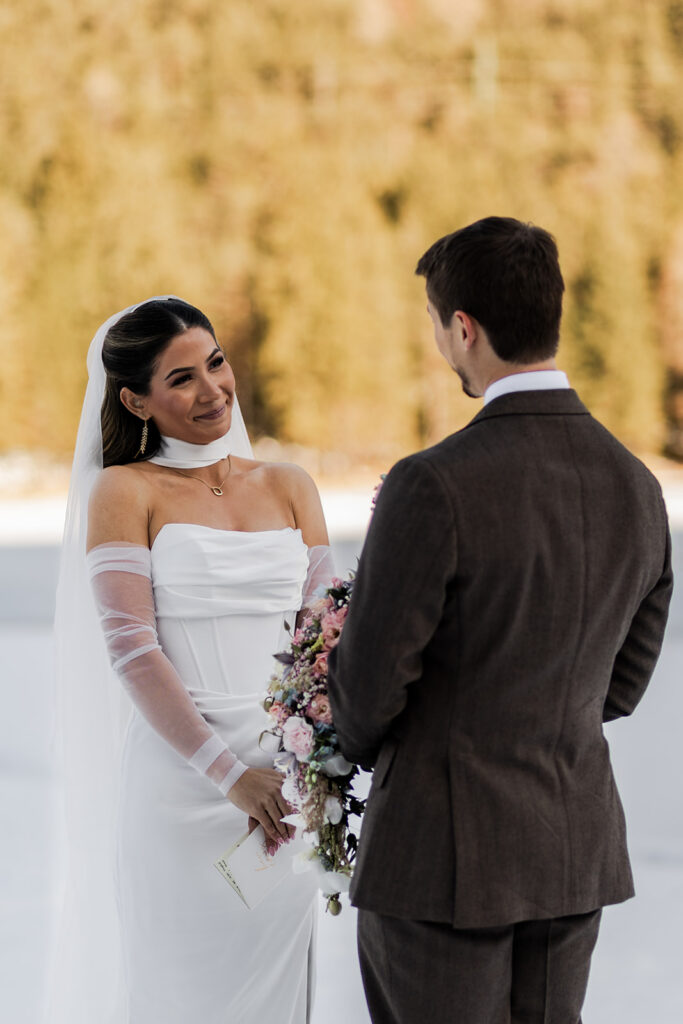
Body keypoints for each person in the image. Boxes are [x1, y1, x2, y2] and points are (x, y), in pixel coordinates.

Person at [327, 217, 673, 1024]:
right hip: (568, 849)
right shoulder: (636, 486)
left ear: (463, 327)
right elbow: (622, 684)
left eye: (434, 324)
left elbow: (365, 693)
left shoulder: (432, 484)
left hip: (440, 860)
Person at [49, 296, 333, 1024]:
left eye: (215, 363)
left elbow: (324, 636)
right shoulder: (124, 490)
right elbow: (131, 647)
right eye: (181, 378)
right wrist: (230, 774)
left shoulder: (290, 486)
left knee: (278, 996)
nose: (212, 390)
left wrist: (313, 764)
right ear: (135, 400)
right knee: (183, 997)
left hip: (285, 785)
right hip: (184, 783)